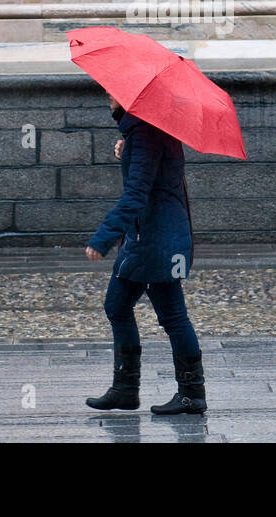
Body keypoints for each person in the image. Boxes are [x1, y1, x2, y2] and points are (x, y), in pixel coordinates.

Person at [84, 94, 206, 414]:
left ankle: (192, 393)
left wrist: (103, 238)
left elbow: (137, 195)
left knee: (173, 317)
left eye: (112, 91)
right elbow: (153, 174)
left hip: (157, 239)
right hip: (144, 237)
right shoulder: (143, 131)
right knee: (117, 305)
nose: (107, 95)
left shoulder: (146, 132)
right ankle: (125, 389)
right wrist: (129, 150)